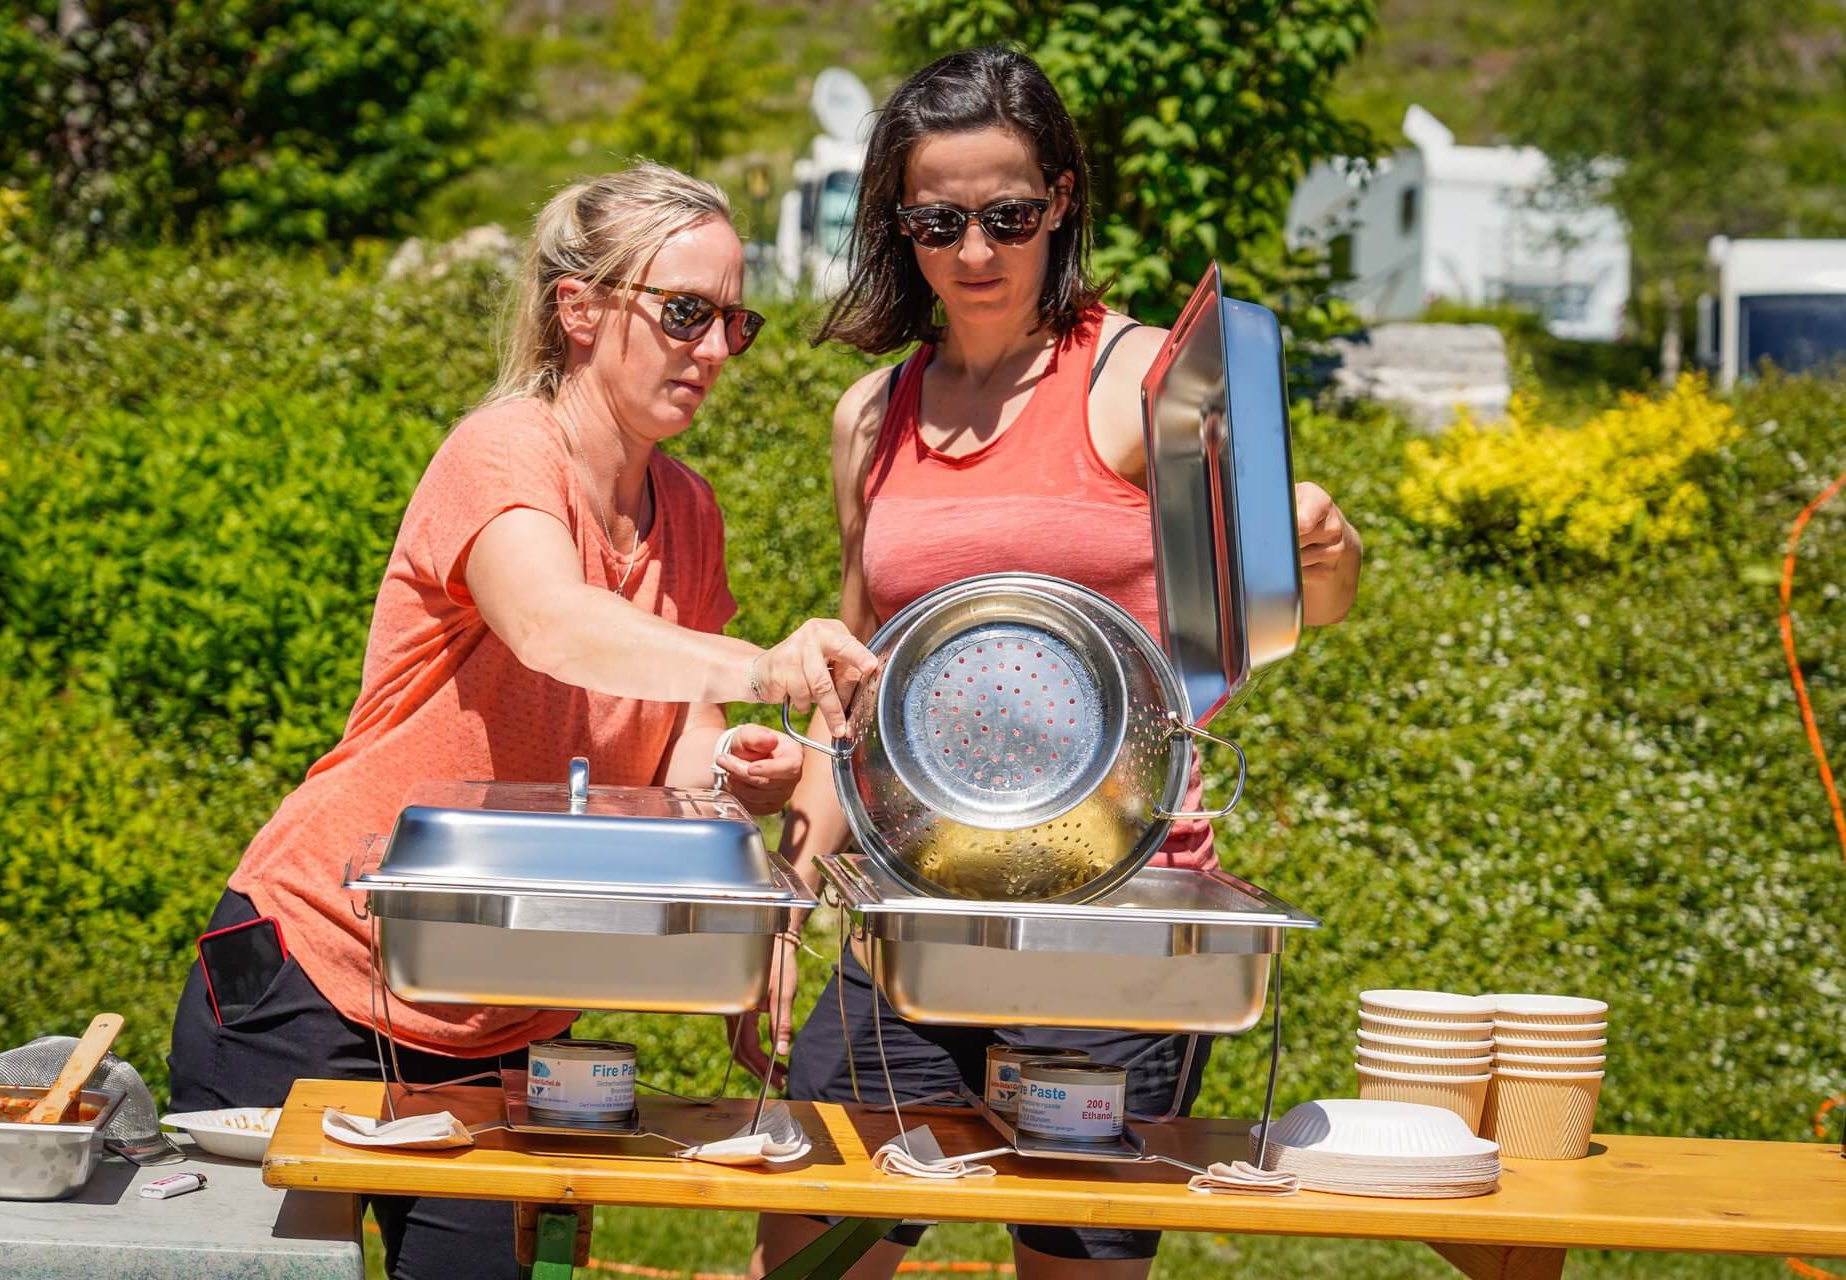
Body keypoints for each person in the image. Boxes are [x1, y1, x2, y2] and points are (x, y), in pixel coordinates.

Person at [167, 162, 877, 1280]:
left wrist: (734, 766)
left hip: (503, 1013)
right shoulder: (503, 452)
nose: (712, 349)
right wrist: (764, 665)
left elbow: (675, 742)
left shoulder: (688, 512)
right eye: (683, 312)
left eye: (733, 322)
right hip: (317, 971)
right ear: (578, 307)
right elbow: (553, 624)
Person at [744, 48, 1363, 1280]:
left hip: (1114, 920)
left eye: (1010, 216)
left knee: (1071, 1260)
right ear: (900, 222)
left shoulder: (1143, 382)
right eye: (939, 222)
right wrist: (788, 897)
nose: (975, 250)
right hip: (916, 914)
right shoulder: (871, 414)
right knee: (810, 1246)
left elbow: (1277, 599)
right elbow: (858, 685)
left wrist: (1326, 549)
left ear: (1062, 199)